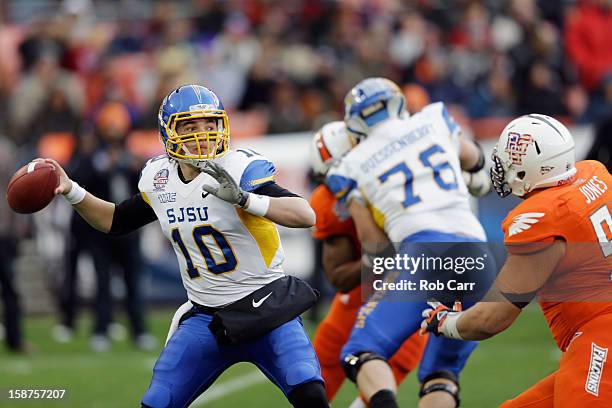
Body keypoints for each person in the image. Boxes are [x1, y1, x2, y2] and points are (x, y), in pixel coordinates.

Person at [40, 85, 328, 408]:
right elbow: (115, 220)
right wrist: (71, 190)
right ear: (168, 132)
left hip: (268, 311)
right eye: (189, 127)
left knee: (310, 393)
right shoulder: (159, 178)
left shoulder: (238, 169)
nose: (202, 135)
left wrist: (246, 199)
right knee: (157, 402)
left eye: (209, 124)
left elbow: (305, 214)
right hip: (207, 319)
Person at [421, 114, 612, 407]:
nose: (502, 165)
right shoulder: (594, 174)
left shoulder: (543, 217)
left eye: (510, 158)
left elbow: (493, 317)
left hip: (601, 337)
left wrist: (445, 322)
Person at [326, 77, 494, 408]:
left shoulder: (350, 166)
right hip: (478, 255)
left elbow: (376, 248)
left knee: (360, 353)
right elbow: (475, 159)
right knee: (441, 374)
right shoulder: (433, 118)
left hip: (424, 251)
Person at [309, 121, 427, 405]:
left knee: (425, 376)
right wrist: (383, 259)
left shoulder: (404, 183)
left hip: (411, 291)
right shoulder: (329, 200)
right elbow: (337, 276)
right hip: (359, 294)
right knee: (315, 375)